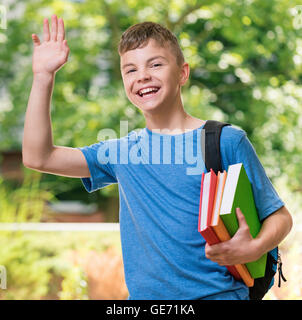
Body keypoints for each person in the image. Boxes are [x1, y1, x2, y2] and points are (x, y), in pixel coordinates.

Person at [23, 15, 293, 300]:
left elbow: (279, 216)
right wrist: (43, 77)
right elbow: (39, 157)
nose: (142, 76)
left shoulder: (225, 141)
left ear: (182, 73)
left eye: (156, 64)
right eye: (130, 70)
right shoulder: (120, 153)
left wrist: (254, 247)